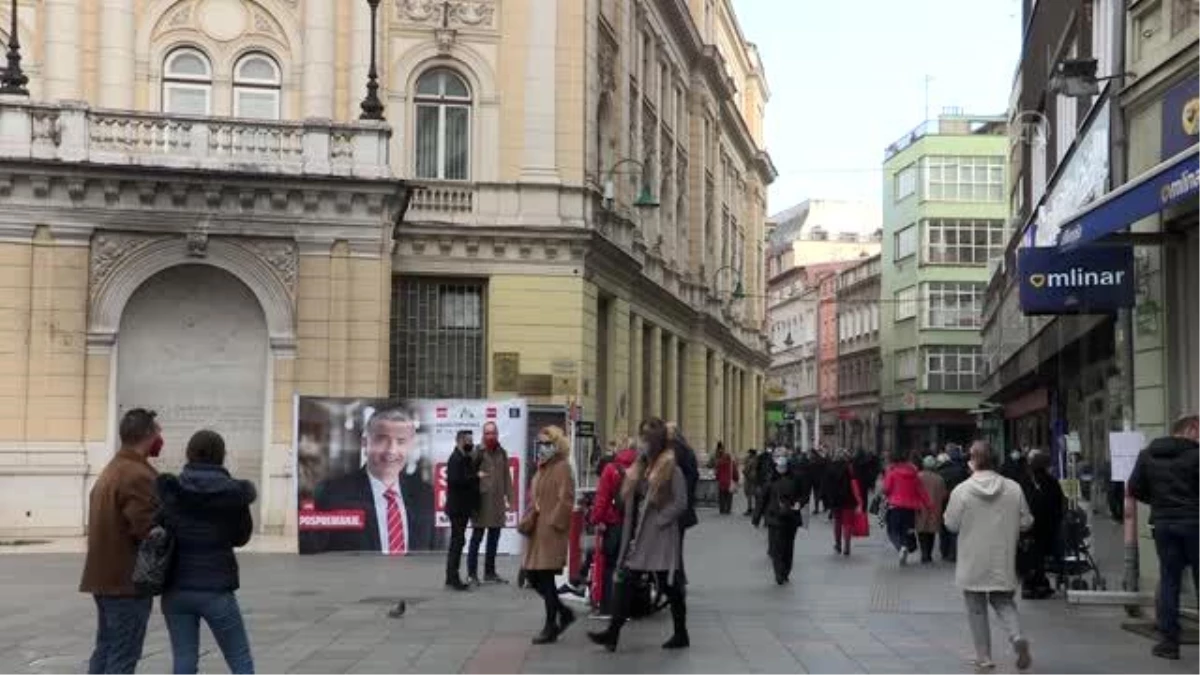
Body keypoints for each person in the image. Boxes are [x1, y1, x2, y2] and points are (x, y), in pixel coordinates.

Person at [157, 430, 257, 675]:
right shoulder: (234, 494)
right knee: (239, 658)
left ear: (189, 453)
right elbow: (241, 538)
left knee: (184, 659)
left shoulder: (171, 490)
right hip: (216, 589)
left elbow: (159, 527)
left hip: (176, 588)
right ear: (222, 456)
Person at [589, 418, 690, 652]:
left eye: (649, 438)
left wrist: (661, 521)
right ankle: (612, 634)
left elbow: (681, 502)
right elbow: (631, 501)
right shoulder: (639, 467)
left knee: (669, 586)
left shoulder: (671, 469)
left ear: (658, 442)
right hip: (638, 536)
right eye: (642, 437)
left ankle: (681, 632)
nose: (644, 442)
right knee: (625, 582)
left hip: (660, 537)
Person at [80, 408, 163, 675]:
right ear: (149, 435)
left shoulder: (113, 468)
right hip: (126, 583)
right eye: (158, 431)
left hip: (105, 579)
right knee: (123, 655)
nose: (161, 437)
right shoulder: (137, 475)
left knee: (106, 648)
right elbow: (147, 529)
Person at [945, 441, 1034, 673]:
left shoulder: (962, 490)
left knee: (975, 607)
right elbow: (1027, 521)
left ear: (972, 460)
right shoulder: (1013, 488)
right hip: (1001, 556)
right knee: (1003, 601)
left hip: (972, 558)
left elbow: (951, 524)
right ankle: (1016, 636)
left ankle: (984, 657)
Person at [299, 405, 435, 554]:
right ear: (365, 442)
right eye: (382, 440)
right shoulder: (332, 494)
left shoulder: (425, 494)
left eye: (401, 441)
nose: (391, 450)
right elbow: (314, 556)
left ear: (410, 446)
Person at [1128, 415, 1200, 661]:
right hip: (1195, 523)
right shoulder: (1197, 455)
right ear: (1191, 428)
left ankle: (1169, 642)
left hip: (1164, 525)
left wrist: (1159, 504)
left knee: (1169, 580)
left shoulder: (1147, 455)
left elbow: (1134, 488)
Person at [520, 426, 576, 645]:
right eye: (541, 443)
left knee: (544, 578)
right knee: (534, 577)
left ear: (556, 445)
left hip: (551, 532)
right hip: (538, 531)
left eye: (547, 443)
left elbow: (567, 499)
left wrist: (554, 522)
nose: (542, 447)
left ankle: (551, 625)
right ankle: (563, 612)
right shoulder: (543, 467)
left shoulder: (561, 467)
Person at [589, 437, 637, 618]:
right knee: (628, 566)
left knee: (610, 565)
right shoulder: (640, 469)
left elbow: (602, 499)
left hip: (614, 524)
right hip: (633, 525)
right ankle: (628, 608)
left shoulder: (611, 469)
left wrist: (595, 519)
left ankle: (608, 607)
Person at [469, 421, 516, 585]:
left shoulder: (502, 452)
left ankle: (490, 572)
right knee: (476, 538)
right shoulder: (477, 452)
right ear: (483, 434)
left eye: (493, 433)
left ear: (497, 434)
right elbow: (468, 473)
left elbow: (507, 478)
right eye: (487, 433)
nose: (491, 436)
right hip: (481, 502)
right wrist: (477, 476)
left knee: (494, 538)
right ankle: (472, 574)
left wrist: (511, 499)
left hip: (497, 503)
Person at [753, 454, 805, 584]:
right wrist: (757, 517)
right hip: (778, 518)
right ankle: (780, 573)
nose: (781, 468)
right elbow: (762, 500)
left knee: (785, 547)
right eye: (779, 466)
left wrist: (799, 503)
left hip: (787, 518)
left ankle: (783, 571)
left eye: (783, 466)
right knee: (780, 547)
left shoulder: (792, 479)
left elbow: (803, 495)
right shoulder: (771, 481)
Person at [882, 449, 930, 565]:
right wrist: (929, 504)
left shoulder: (891, 472)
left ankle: (901, 548)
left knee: (892, 531)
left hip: (895, 506)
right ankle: (904, 546)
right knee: (905, 531)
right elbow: (921, 490)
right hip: (910, 508)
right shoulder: (914, 473)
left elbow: (886, 489)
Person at [444, 430, 479, 591]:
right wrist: (475, 476)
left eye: (471, 441)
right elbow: (456, 480)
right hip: (457, 508)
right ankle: (452, 577)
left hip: (463, 507)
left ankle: (452, 576)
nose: (470, 444)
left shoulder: (464, 458)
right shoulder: (455, 459)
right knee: (457, 543)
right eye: (468, 441)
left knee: (459, 541)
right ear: (460, 441)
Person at [821, 449, 858, 556]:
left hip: (835, 499)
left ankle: (838, 544)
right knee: (847, 523)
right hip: (848, 499)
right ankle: (847, 545)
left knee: (837, 522)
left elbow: (825, 484)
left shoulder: (829, 468)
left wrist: (827, 499)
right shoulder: (849, 468)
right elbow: (855, 483)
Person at [937, 447, 970, 562]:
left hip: (943, 502)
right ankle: (954, 553)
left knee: (943, 528)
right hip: (958, 500)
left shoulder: (939, 472)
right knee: (955, 529)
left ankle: (944, 551)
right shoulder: (961, 470)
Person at [916, 455, 948, 564]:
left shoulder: (918, 476)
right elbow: (944, 495)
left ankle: (924, 553)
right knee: (931, 532)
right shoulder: (939, 478)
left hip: (920, 507)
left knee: (921, 531)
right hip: (935, 507)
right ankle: (928, 554)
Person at [711, 442, 738, 515]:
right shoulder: (732, 463)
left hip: (722, 482)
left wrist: (717, 478)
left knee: (722, 496)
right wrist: (736, 479)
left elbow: (717, 472)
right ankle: (728, 509)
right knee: (729, 497)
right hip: (729, 482)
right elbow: (735, 472)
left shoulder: (720, 462)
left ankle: (722, 509)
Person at [742, 449, 760, 516]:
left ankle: (750, 509)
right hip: (756, 479)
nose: (748, 454)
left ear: (751, 454)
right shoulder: (758, 459)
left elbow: (746, 469)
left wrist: (744, 472)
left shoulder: (751, 460)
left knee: (749, 494)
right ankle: (756, 509)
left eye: (749, 453)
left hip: (750, 479)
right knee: (756, 495)